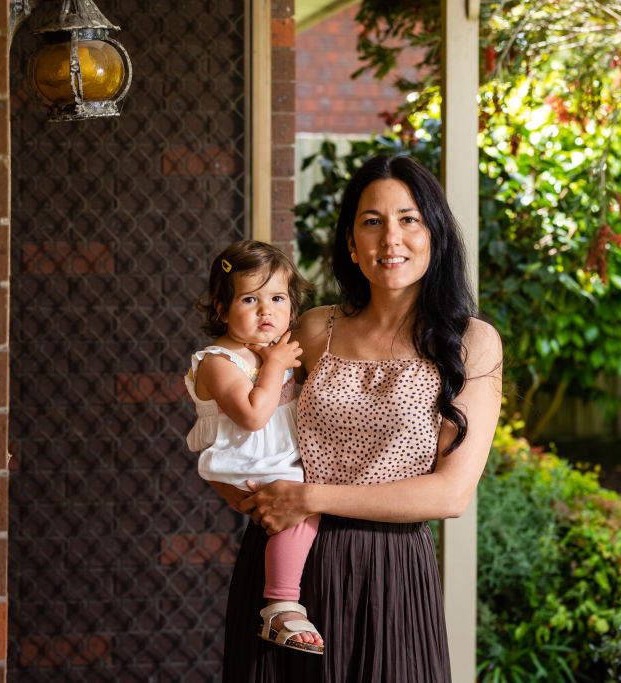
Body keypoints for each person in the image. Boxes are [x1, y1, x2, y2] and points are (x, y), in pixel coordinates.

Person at [224, 154, 503, 682]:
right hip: (287, 577)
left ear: (435, 234)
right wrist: (248, 493)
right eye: (371, 222)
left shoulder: (472, 342)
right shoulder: (311, 329)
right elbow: (246, 426)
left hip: (391, 576)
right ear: (351, 243)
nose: (390, 239)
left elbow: (450, 495)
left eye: (409, 219)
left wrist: (310, 497)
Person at [185, 240, 325, 655]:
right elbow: (252, 416)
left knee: (308, 503)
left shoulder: (267, 352)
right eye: (250, 298)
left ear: (292, 308)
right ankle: (280, 604)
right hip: (246, 459)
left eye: (277, 297)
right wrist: (277, 367)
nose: (267, 310)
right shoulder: (219, 361)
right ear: (222, 309)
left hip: (273, 457)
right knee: (301, 510)